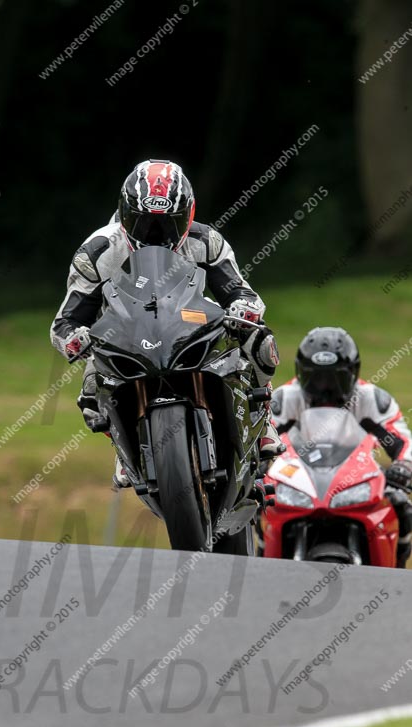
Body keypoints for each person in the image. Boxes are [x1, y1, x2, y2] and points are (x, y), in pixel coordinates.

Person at [50, 159, 284, 487]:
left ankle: (263, 421)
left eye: (167, 224)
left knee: (259, 340)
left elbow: (240, 291)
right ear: (124, 214)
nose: (155, 234)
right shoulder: (98, 251)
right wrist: (76, 339)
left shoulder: (206, 240)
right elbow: (66, 320)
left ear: (187, 215)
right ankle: (123, 447)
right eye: (143, 223)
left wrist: (243, 310)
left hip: (192, 322)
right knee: (91, 390)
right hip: (123, 333)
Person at [271, 326, 412, 567]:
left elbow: (403, 441)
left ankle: (397, 572)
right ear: (301, 372)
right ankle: (262, 558)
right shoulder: (285, 398)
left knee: (401, 504)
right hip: (298, 478)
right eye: (316, 377)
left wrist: (404, 467)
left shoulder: (371, 399)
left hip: (357, 478)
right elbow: (260, 437)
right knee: (258, 507)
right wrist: (259, 466)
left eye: (335, 377)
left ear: (352, 373)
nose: (325, 386)